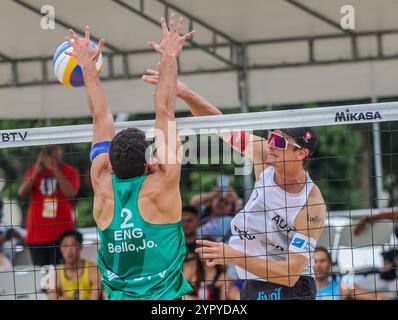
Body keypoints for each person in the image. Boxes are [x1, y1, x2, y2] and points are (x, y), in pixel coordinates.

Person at [142, 71, 326, 300]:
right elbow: (220, 125)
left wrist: (233, 255)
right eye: (270, 137)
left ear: (301, 153)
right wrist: (184, 93)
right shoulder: (263, 154)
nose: (270, 145)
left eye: (279, 142)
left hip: (291, 288)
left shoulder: (311, 204)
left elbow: (289, 274)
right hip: (253, 281)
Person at [64, 13, 194, 299]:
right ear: (149, 162)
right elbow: (165, 112)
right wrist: (169, 57)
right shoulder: (162, 184)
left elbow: (100, 117)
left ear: (110, 162)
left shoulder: (101, 181)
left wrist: (87, 67)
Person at [18, 144, 80, 266]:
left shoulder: (70, 171)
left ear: (62, 150)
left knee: (63, 273)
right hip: (37, 235)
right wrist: (37, 169)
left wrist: (54, 168)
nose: (50, 152)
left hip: (62, 235)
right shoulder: (34, 170)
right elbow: (22, 193)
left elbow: (70, 193)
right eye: (47, 149)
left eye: (54, 149)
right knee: (43, 277)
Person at [47, 230, 101, 300]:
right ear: (60, 249)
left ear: (81, 247)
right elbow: (51, 298)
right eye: (65, 246)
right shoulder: (53, 277)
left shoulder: (94, 270)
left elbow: (95, 298)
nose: (69, 250)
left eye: (73, 245)